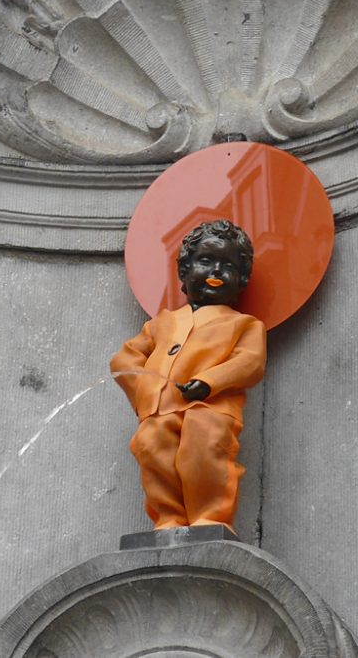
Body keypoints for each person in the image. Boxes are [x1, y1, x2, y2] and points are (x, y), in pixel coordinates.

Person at [111, 220, 266, 533]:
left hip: (209, 409)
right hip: (157, 410)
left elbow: (250, 362)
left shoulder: (244, 325)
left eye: (228, 266)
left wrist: (210, 381)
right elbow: (124, 359)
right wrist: (145, 389)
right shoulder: (162, 323)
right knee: (153, 449)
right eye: (206, 261)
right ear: (184, 271)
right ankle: (169, 516)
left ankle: (209, 515)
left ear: (242, 279)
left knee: (205, 450)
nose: (216, 272)